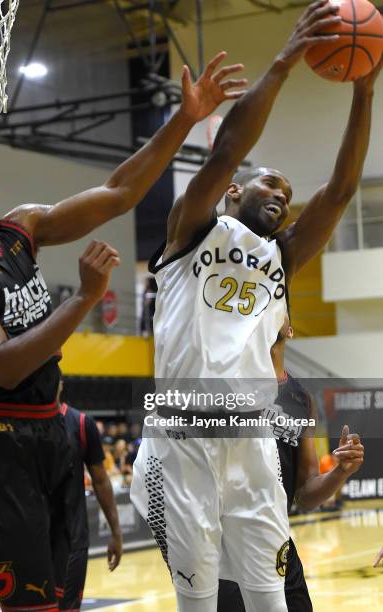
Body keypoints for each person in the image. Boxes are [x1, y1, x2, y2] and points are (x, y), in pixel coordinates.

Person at [0, 55, 244, 611]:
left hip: (54, 433)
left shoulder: (19, 229)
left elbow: (120, 193)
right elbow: (3, 365)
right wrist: (83, 297)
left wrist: (185, 117)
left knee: (66, 603)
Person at [131, 2, 380, 610]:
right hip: (183, 437)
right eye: (273, 186)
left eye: (289, 196)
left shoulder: (282, 258)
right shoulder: (192, 229)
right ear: (238, 192)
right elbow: (223, 154)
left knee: (270, 598)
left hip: (253, 443)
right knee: (201, 601)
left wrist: (364, 90)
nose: (284, 199)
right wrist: (286, 60)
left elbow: (343, 189)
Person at [217, 315, 365, 611]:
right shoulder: (225, 387)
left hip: (278, 543)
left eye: (278, 304)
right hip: (228, 551)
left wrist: (339, 472)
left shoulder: (301, 398)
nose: (269, 308)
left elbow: (306, 493)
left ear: (290, 328)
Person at [57, 382, 122, 611]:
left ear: (60, 383)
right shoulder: (22, 422)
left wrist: (116, 532)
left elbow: (101, 480)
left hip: (72, 538)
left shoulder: (81, 423)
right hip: (31, 539)